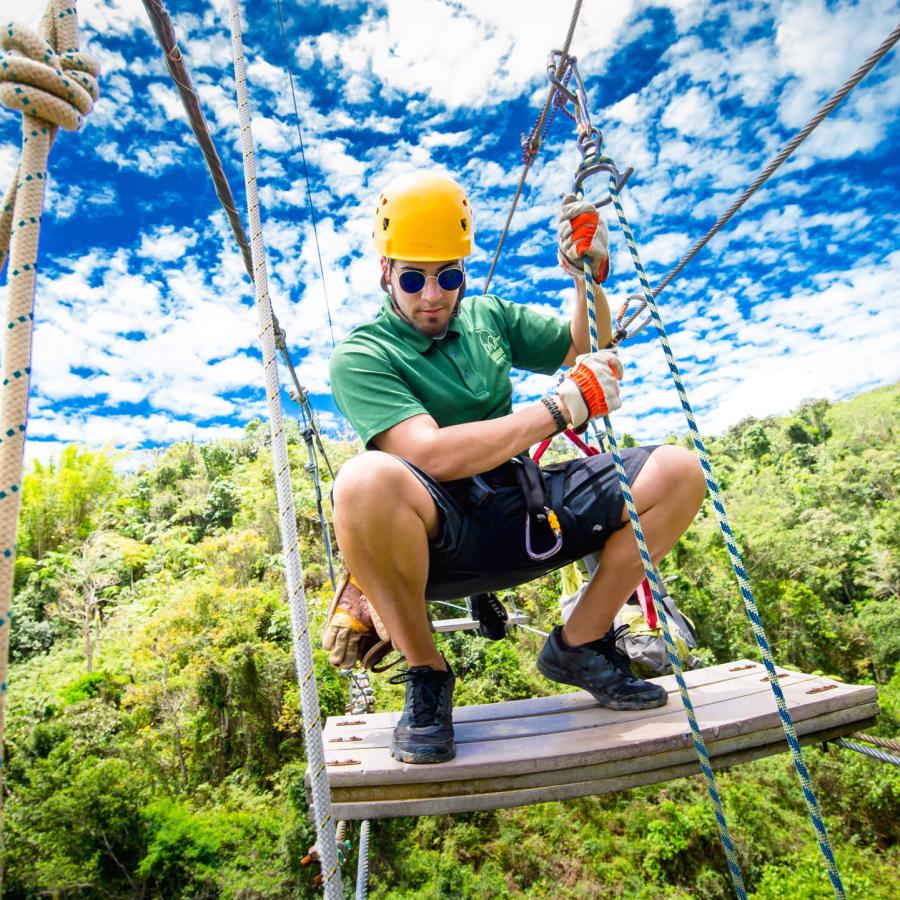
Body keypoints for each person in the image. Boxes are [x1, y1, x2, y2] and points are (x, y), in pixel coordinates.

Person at [327, 170, 706, 764]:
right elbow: (426, 453)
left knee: (679, 473)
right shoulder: (363, 354)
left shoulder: (487, 318)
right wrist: (557, 409)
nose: (433, 295)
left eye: (448, 275)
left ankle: (580, 641)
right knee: (363, 479)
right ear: (386, 274)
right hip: (438, 540)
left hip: (522, 506)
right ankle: (427, 675)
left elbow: (589, 348)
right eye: (413, 278)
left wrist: (587, 278)